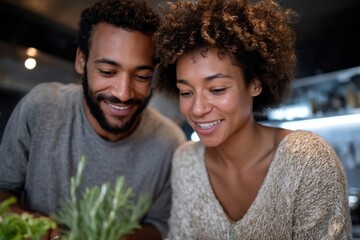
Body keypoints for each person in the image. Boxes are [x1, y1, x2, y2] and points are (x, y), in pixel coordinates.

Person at [154, 0, 352, 239]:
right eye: (186, 92)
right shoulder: (186, 162)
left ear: (255, 84)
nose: (197, 109)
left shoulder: (306, 161)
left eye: (217, 89)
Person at [0, 0, 186, 239]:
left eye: (141, 76)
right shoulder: (41, 108)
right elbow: (3, 187)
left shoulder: (169, 143)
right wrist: (30, 224)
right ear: (81, 60)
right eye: (108, 72)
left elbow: (160, 225)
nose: (123, 93)